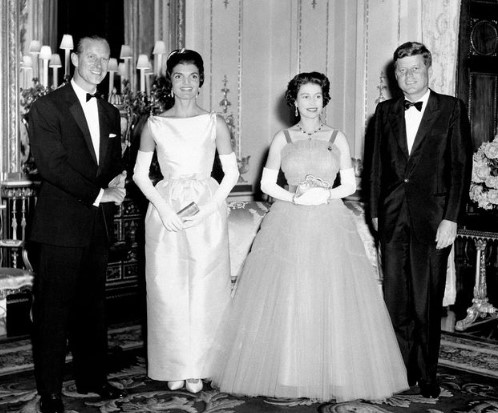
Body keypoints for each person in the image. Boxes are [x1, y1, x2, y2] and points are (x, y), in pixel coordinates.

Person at [209, 72, 408, 402]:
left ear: (324, 99)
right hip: (290, 222)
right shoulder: (283, 139)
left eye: (318, 96)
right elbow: (268, 185)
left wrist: (324, 195)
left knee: (330, 293)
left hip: (330, 223)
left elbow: (348, 184)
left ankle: (334, 370)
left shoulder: (337, 138)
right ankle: (291, 371)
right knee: (293, 293)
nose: (312, 103)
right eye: (306, 96)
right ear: (295, 101)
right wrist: (296, 197)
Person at [28, 35, 128, 413]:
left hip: (96, 227)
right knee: (53, 311)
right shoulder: (46, 107)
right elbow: (52, 167)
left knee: (92, 308)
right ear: (74, 59)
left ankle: (92, 379)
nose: (99, 64)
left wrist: (118, 179)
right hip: (59, 228)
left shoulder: (111, 113)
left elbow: (112, 161)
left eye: (105, 58)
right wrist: (99, 194)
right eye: (91, 56)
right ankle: (50, 392)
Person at [367, 42, 472, 398]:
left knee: (426, 301)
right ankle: (400, 371)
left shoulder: (452, 109)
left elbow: (460, 167)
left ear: (429, 71)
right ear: (394, 76)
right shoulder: (384, 112)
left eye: (415, 69)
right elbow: (376, 168)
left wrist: (452, 218)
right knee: (395, 301)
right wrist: (376, 213)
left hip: (434, 220)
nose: (408, 76)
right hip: (392, 218)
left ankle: (428, 375)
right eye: (401, 70)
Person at [132, 49, 239, 394]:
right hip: (166, 212)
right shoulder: (154, 124)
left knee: (206, 290)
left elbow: (232, 173)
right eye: (179, 76)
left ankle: (199, 366)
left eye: (193, 76)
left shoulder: (214, 122)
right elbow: (139, 175)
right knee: (168, 289)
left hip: (205, 210)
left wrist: (207, 209)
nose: (187, 84)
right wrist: (164, 210)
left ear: (201, 80)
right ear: (170, 81)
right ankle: (175, 363)